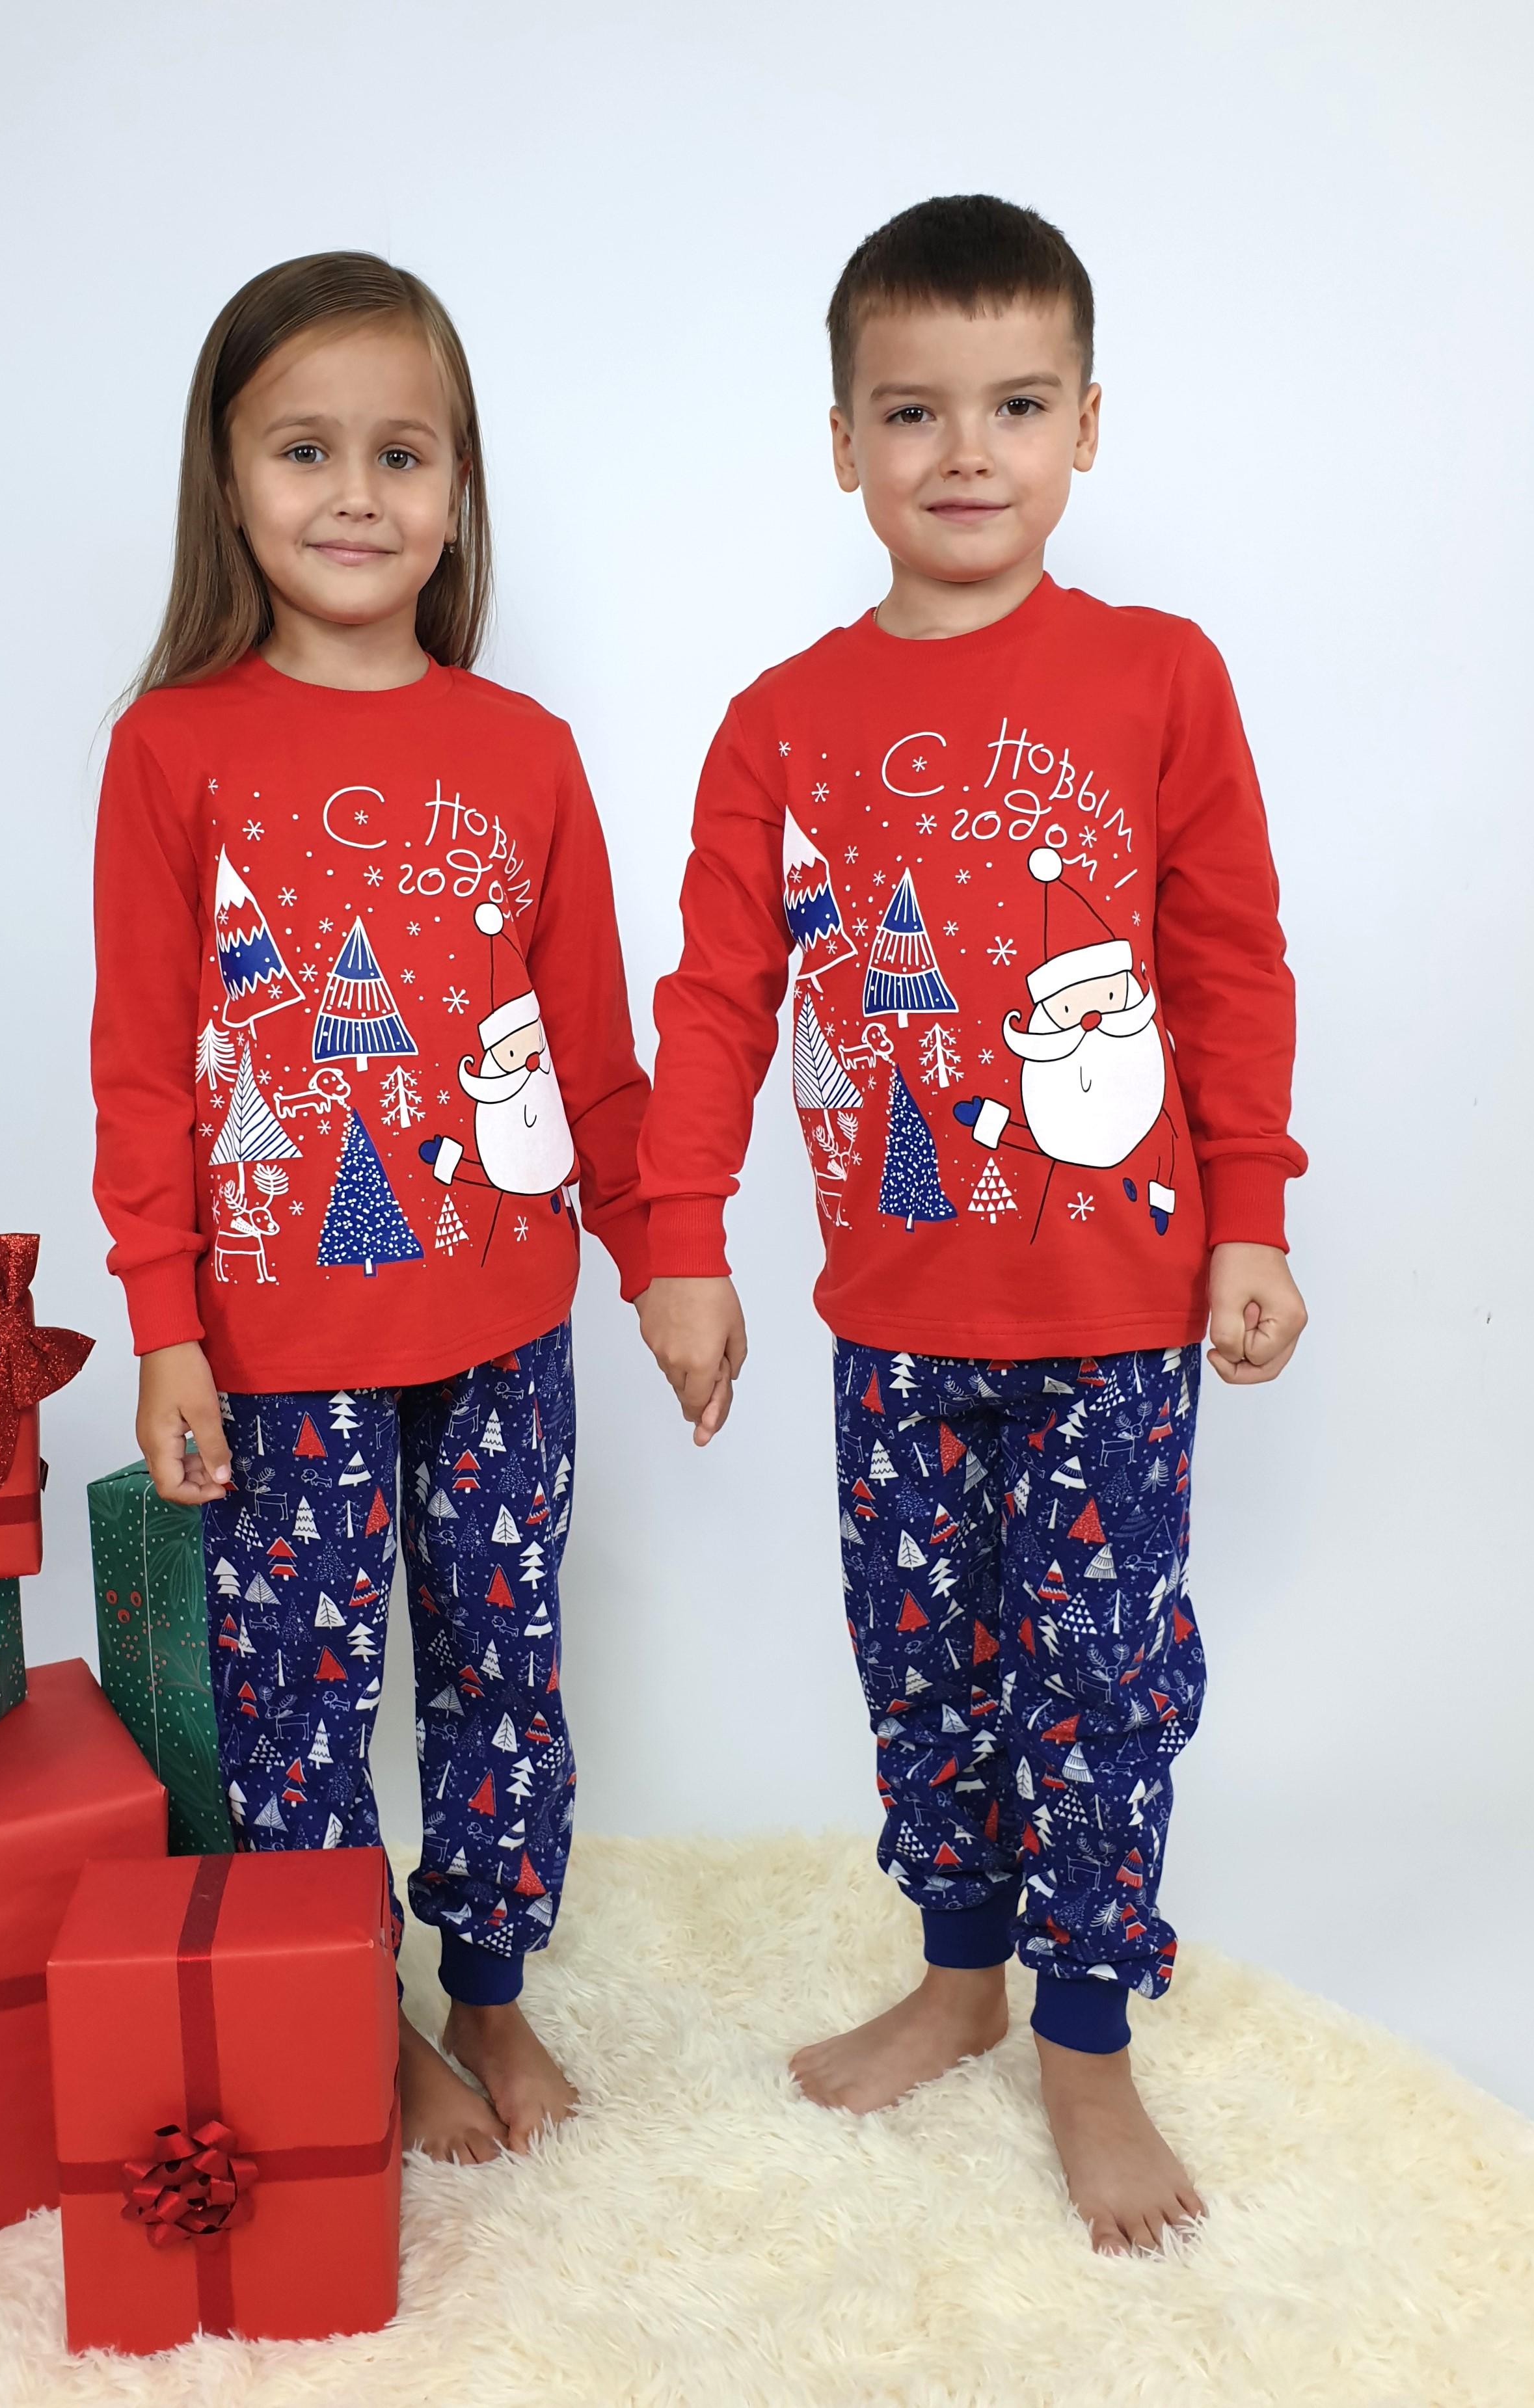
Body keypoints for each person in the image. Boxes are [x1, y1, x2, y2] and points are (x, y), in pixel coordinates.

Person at [636, 196, 1307, 2252]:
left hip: (1117, 1316)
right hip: (897, 1321)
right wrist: (680, 1237)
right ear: (842, 439)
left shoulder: (1158, 676)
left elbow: (1229, 960)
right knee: (920, 1665)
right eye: (913, 410)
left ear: (1087, 426)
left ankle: (1087, 2041)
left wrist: (1253, 1215)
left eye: (1016, 405)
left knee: (1096, 1685)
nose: (965, 452)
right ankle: (957, 1978)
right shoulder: (779, 722)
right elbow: (717, 996)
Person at [91, 252, 650, 2161]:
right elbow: (145, 1069)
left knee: (505, 1671)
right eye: (305, 450)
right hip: (276, 1353)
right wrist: (165, 1325)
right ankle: (356, 2002)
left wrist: (665, 1264)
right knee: (300, 1707)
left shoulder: (526, 753)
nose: (355, 494)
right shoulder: (174, 749)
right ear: (229, 479)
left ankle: (488, 1987)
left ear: (458, 486)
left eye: (401, 454)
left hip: (503, 1335)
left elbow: (592, 1057)